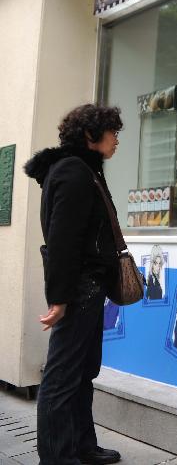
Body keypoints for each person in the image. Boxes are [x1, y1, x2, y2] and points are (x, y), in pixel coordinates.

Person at [24, 103, 124, 465]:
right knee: (63, 375)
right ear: (89, 135)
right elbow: (63, 240)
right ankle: (57, 456)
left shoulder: (82, 170)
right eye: (112, 132)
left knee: (83, 370)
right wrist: (60, 298)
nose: (116, 140)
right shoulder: (73, 172)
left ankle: (82, 445)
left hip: (87, 286)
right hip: (80, 287)